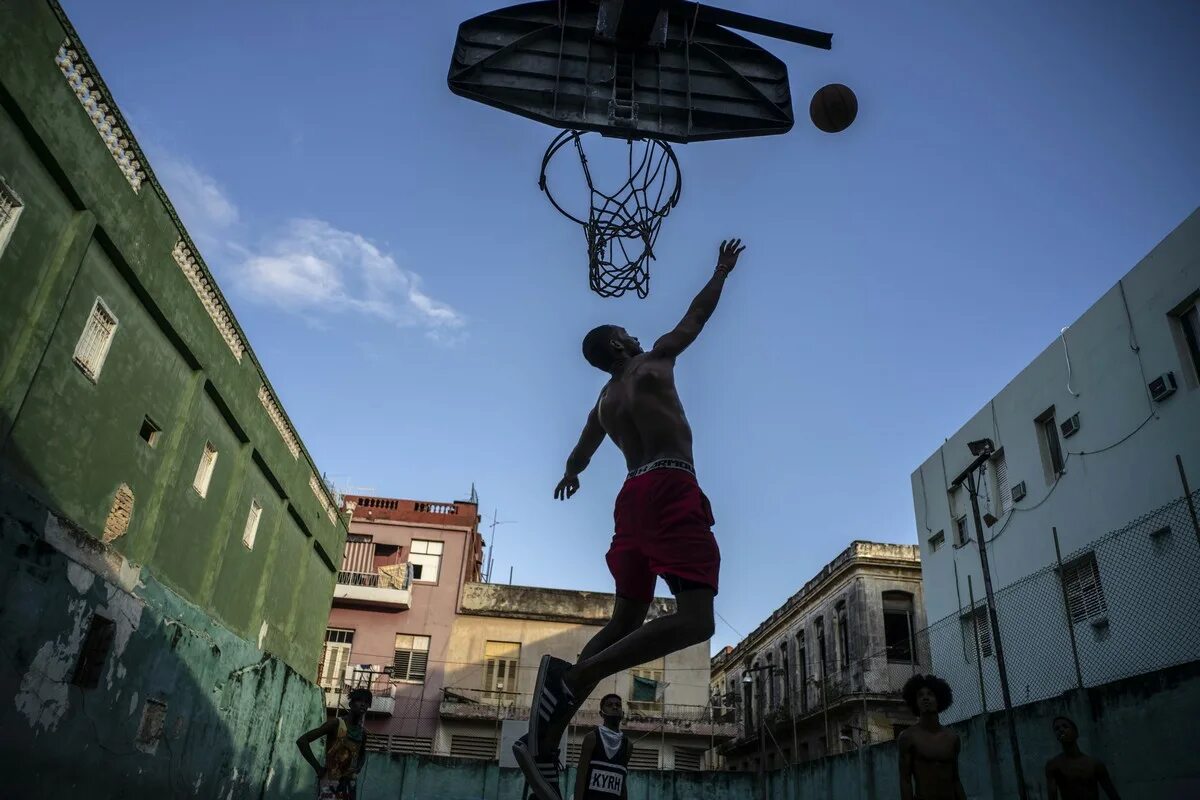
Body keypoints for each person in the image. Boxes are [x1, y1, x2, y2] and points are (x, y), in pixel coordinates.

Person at [514, 239, 747, 799]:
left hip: (629, 499)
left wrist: (571, 475)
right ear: (620, 344)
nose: (637, 335)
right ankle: (577, 676)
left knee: (626, 620)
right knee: (697, 622)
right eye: (628, 332)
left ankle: (543, 737)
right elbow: (697, 316)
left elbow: (581, 450)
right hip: (670, 486)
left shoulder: (602, 401)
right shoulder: (654, 361)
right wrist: (719, 271)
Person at [898, 674, 966, 800]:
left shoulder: (952, 738)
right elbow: (905, 781)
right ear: (915, 703)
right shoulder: (908, 738)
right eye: (920, 695)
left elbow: (956, 779)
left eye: (930, 694)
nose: (925, 698)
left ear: (939, 699)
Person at [296, 687, 371, 800]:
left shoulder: (362, 733)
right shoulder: (336, 724)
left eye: (366, 702)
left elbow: (362, 753)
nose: (363, 705)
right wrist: (318, 768)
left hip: (349, 786)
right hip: (330, 783)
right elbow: (302, 741)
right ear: (350, 704)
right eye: (359, 701)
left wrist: (357, 769)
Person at [1044, 716, 1121, 800]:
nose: (1061, 730)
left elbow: (1112, 794)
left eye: (1065, 726)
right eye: (1057, 729)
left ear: (1075, 733)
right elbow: (1052, 796)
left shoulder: (1095, 764)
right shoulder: (1054, 765)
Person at [573, 694, 630, 800]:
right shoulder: (592, 738)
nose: (615, 707)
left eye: (618, 705)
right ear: (601, 713)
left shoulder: (627, 745)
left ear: (622, 712)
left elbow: (622, 781)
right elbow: (581, 776)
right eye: (609, 705)